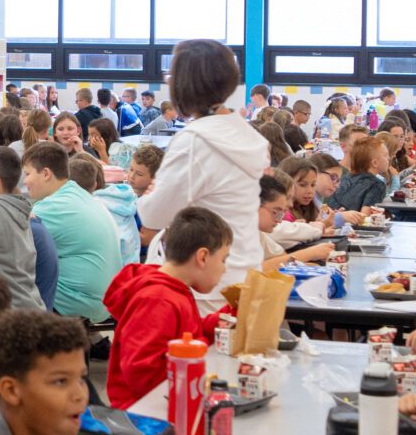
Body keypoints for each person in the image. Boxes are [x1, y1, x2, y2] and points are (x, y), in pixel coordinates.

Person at [139, 38, 267, 273]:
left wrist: (151, 191)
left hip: (204, 280)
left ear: (182, 85)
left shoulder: (195, 141)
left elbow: (153, 214)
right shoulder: (245, 133)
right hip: (244, 268)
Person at [103, 206, 230, 409]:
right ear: (203, 257)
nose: (224, 268)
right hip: (147, 414)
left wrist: (228, 316)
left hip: (168, 402)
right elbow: (142, 372)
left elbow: (188, 334)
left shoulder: (174, 290)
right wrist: (196, 378)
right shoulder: (158, 299)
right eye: (224, 259)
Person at [23, 144, 115, 321]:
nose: (25, 181)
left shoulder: (52, 207)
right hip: (104, 300)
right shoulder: (78, 194)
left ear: (46, 174)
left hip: (81, 303)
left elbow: (14, 244)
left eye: (28, 174)